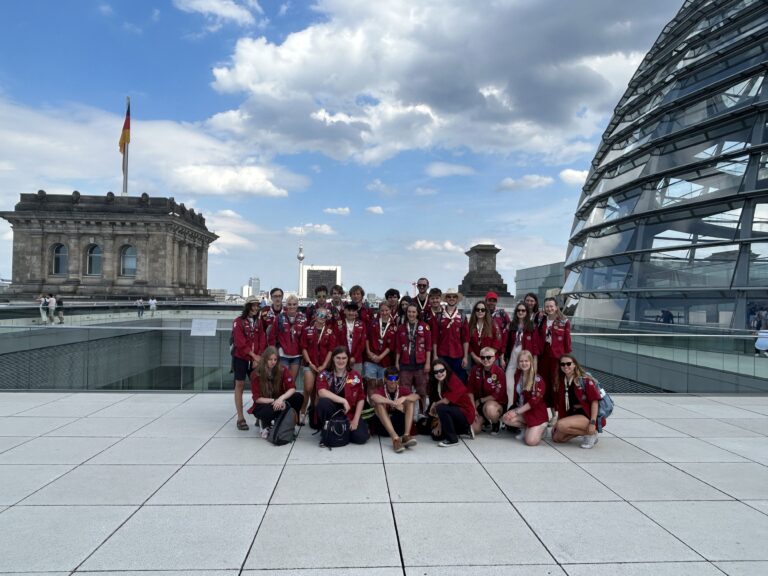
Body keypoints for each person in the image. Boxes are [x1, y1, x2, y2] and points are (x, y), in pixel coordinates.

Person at [315, 347, 369, 444]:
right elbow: (321, 392)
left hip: (349, 414)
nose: (341, 361)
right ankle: (329, 428)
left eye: (344, 358)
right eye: (338, 358)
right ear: (333, 358)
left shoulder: (355, 376)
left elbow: (361, 398)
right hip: (331, 412)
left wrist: (356, 420)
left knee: (361, 438)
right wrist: (343, 401)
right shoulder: (325, 374)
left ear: (348, 359)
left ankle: (341, 430)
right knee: (323, 402)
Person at [249, 346, 304, 437]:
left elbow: (292, 388)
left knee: (298, 397)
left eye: (275, 359)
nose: (273, 362)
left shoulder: (282, 369)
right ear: (264, 359)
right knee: (267, 410)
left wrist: (281, 399)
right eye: (270, 359)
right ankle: (264, 423)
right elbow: (257, 398)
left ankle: (289, 423)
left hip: (280, 400)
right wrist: (275, 400)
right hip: (265, 403)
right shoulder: (256, 374)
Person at [551, 354, 604, 449]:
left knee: (561, 425)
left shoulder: (584, 380)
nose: (565, 366)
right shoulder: (561, 382)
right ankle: (587, 433)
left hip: (587, 416)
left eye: (568, 363)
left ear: (574, 365)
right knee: (557, 438)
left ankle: (591, 432)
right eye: (562, 364)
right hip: (573, 416)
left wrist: (592, 422)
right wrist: (559, 420)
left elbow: (595, 402)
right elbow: (561, 405)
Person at [231, 296, 266, 431]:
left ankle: (259, 414)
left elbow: (262, 338)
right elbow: (240, 343)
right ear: (247, 307)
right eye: (253, 305)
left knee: (258, 385)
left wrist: (259, 356)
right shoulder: (238, 322)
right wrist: (254, 356)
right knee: (239, 384)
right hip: (241, 357)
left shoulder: (259, 322)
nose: (255, 308)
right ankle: (240, 418)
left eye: (257, 305)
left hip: (256, 358)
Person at [502, 350, 548, 446]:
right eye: (521, 361)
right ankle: (527, 428)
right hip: (524, 410)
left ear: (531, 362)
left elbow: (533, 402)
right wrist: (514, 410)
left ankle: (542, 428)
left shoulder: (537, 379)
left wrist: (516, 412)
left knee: (530, 441)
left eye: (526, 361)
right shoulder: (518, 375)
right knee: (506, 418)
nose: (524, 363)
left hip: (536, 413)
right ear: (518, 363)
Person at [369, 367, 420, 452]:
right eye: (390, 378)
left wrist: (404, 398)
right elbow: (374, 397)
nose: (393, 381)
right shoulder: (381, 390)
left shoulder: (402, 389)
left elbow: (416, 396)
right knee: (379, 405)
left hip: (400, 426)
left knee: (410, 401)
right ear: (385, 379)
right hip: (384, 427)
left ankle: (406, 436)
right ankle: (395, 439)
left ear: (398, 379)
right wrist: (392, 403)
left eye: (395, 378)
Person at [300, 305, 337, 421]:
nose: (322, 317)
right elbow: (304, 348)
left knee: (319, 391)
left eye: (325, 316)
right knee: (308, 388)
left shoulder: (330, 331)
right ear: (315, 316)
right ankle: (302, 410)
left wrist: (324, 366)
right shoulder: (307, 329)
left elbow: (331, 350)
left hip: (324, 366)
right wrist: (310, 363)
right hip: (309, 364)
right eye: (320, 315)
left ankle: (315, 414)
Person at [427, 360, 476, 447]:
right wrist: (439, 425)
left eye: (442, 370)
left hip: (465, 413)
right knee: (436, 436)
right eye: (436, 372)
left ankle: (453, 440)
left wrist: (435, 404)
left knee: (440, 407)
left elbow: (446, 402)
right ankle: (464, 430)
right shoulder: (437, 383)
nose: (439, 373)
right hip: (452, 412)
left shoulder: (453, 379)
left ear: (446, 370)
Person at [395, 303, 432, 414]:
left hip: (420, 364)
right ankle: (407, 414)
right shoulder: (401, 328)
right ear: (406, 313)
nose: (411, 314)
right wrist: (396, 362)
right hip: (405, 364)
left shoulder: (424, 326)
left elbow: (428, 347)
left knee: (422, 391)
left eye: (413, 312)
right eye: (409, 312)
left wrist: (428, 363)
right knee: (405, 391)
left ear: (417, 313)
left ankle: (422, 413)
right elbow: (397, 347)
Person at [538, 297, 571, 418]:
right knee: (544, 384)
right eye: (547, 306)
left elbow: (567, 343)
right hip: (543, 356)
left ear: (556, 307)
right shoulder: (542, 319)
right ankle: (549, 414)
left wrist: (566, 360)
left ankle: (558, 414)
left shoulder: (564, 321)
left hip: (557, 357)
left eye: (551, 306)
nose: (549, 308)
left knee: (556, 385)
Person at [504, 302, 541, 403]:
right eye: (518, 310)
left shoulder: (532, 326)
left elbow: (535, 348)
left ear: (527, 312)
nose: (520, 312)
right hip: (512, 359)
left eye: (523, 310)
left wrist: (535, 367)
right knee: (508, 385)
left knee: (525, 386)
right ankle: (509, 407)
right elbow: (505, 344)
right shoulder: (511, 325)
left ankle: (523, 410)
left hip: (525, 360)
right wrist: (503, 358)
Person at [467, 346, 507, 435]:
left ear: (494, 358)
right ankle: (486, 421)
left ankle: (496, 423)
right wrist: (473, 409)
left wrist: (481, 401)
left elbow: (497, 394)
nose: (485, 360)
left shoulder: (499, 372)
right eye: (482, 357)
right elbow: (470, 391)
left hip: (495, 403)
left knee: (490, 409)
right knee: (475, 429)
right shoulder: (475, 370)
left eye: (488, 357)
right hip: (479, 405)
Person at [268, 294, 307, 381]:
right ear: (286, 305)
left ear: (297, 305)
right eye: (289, 304)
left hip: (297, 355)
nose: (292, 306)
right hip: (282, 355)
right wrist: (274, 353)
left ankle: (289, 395)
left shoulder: (303, 318)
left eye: (294, 304)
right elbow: (272, 336)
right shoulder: (279, 318)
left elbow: (305, 339)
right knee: (282, 381)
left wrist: (304, 356)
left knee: (291, 382)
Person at [433, 288, 469, 382]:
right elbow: (435, 338)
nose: (451, 298)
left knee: (459, 380)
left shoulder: (462, 316)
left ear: (457, 299)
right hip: (442, 355)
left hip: (458, 355)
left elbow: (465, 339)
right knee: (443, 381)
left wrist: (465, 357)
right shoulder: (439, 316)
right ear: (446, 299)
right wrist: (435, 355)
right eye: (449, 297)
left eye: (454, 297)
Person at [364, 301, 397, 392]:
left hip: (385, 361)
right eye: (382, 310)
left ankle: (380, 405)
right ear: (379, 311)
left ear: (390, 310)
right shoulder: (372, 322)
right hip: (371, 358)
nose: (384, 312)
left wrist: (380, 357)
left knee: (382, 385)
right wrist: (368, 352)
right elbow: (367, 338)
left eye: (386, 310)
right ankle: (372, 405)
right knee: (371, 384)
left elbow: (391, 346)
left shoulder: (394, 326)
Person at [466, 300, 502, 368]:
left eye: (483, 310)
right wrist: (474, 357)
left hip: (490, 359)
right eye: (477, 309)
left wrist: (487, 356)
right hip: (476, 360)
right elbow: (468, 342)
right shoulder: (470, 325)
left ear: (486, 312)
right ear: (474, 311)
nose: (480, 311)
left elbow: (498, 341)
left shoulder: (493, 324)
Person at [339, 302, 367, 374]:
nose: (351, 313)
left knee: (356, 382)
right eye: (349, 310)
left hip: (356, 360)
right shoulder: (338, 324)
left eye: (353, 311)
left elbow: (362, 343)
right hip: (341, 359)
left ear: (356, 312)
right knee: (341, 382)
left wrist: (354, 357)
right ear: (344, 311)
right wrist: (344, 356)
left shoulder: (362, 324)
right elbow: (337, 342)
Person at [485, 291, 510, 369]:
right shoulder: (481, 312)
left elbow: (505, 336)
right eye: (490, 300)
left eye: (494, 301)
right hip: (483, 352)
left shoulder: (502, 314)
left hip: (497, 353)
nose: (491, 303)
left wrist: (502, 356)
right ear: (486, 301)